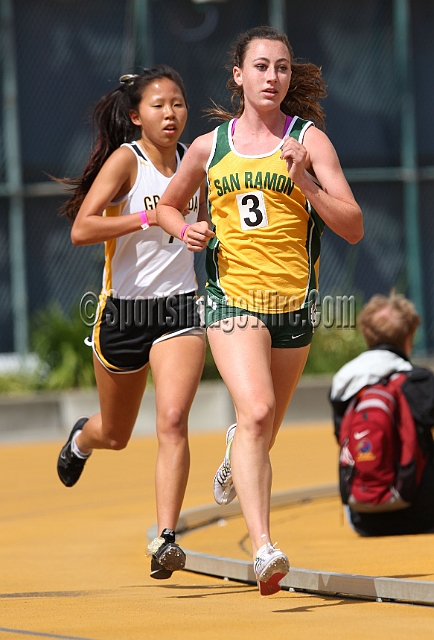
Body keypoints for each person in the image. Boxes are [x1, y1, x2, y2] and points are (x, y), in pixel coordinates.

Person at [156, 26, 364, 595]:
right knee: (257, 411)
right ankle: (265, 548)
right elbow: (168, 208)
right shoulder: (208, 147)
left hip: (293, 302)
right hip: (232, 300)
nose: (273, 77)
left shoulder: (310, 141)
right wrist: (187, 228)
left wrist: (304, 182)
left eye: (282, 68)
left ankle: (235, 449)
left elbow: (352, 226)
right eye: (262, 67)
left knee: (260, 429)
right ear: (238, 76)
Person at [55, 65, 207, 580]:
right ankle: (82, 438)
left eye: (179, 104)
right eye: (159, 105)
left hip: (180, 308)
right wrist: (147, 216)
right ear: (137, 115)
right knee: (116, 433)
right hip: (123, 313)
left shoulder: (197, 162)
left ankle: (166, 538)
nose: (171, 114)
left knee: (172, 420)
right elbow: (82, 229)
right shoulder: (127, 161)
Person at [330, 293, 434, 536]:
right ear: (409, 337)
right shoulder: (418, 379)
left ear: (367, 335)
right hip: (422, 516)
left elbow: (342, 437)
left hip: (363, 518)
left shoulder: (343, 383)